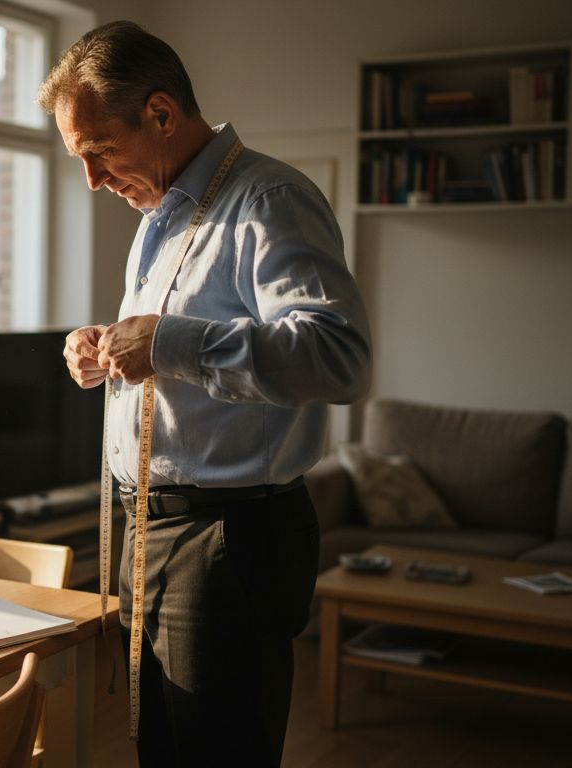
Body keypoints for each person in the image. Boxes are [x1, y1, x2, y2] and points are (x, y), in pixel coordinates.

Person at [40, 21, 372, 767]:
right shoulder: (161, 214)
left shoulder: (270, 198)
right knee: (164, 749)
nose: (92, 180)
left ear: (160, 114)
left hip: (226, 542)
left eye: (99, 152)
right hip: (146, 528)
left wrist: (165, 342)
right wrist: (105, 348)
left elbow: (339, 357)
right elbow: (182, 346)